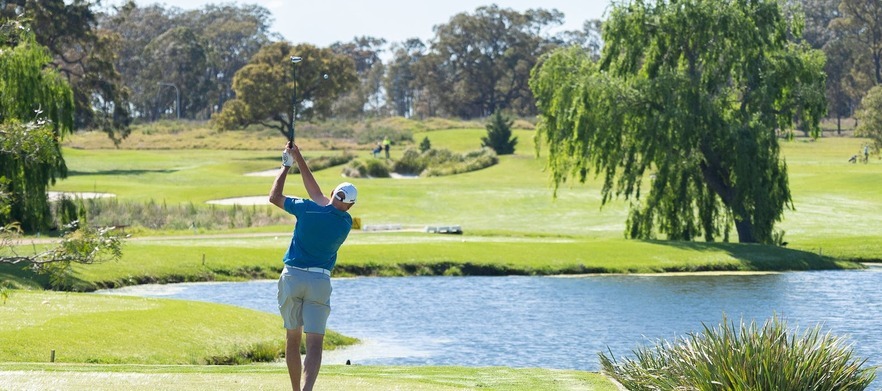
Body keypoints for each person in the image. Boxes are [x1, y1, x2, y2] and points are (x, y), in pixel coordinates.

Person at [269, 141, 357, 391]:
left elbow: (274, 197)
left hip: (293, 277)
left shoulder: (307, 209)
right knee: (315, 343)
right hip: (320, 282)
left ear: (332, 194)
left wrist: (287, 165)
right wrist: (299, 158)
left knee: (292, 339)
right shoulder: (346, 222)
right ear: (349, 205)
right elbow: (319, 196)